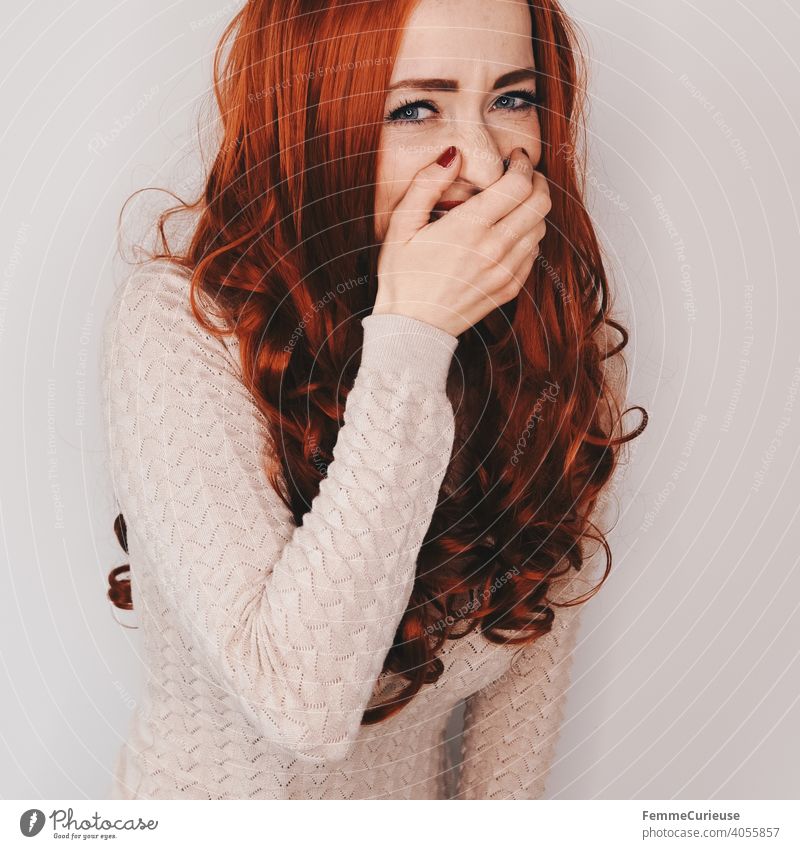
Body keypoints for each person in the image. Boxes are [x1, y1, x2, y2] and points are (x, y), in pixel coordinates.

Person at [102, 0, 646, 800]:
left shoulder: (568, 351)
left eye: (512, 98)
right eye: (417, 107)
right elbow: (301, 704)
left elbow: (516, 724)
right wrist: (412, 336)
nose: (487, 162)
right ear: (317, 122)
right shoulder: (181, 328)